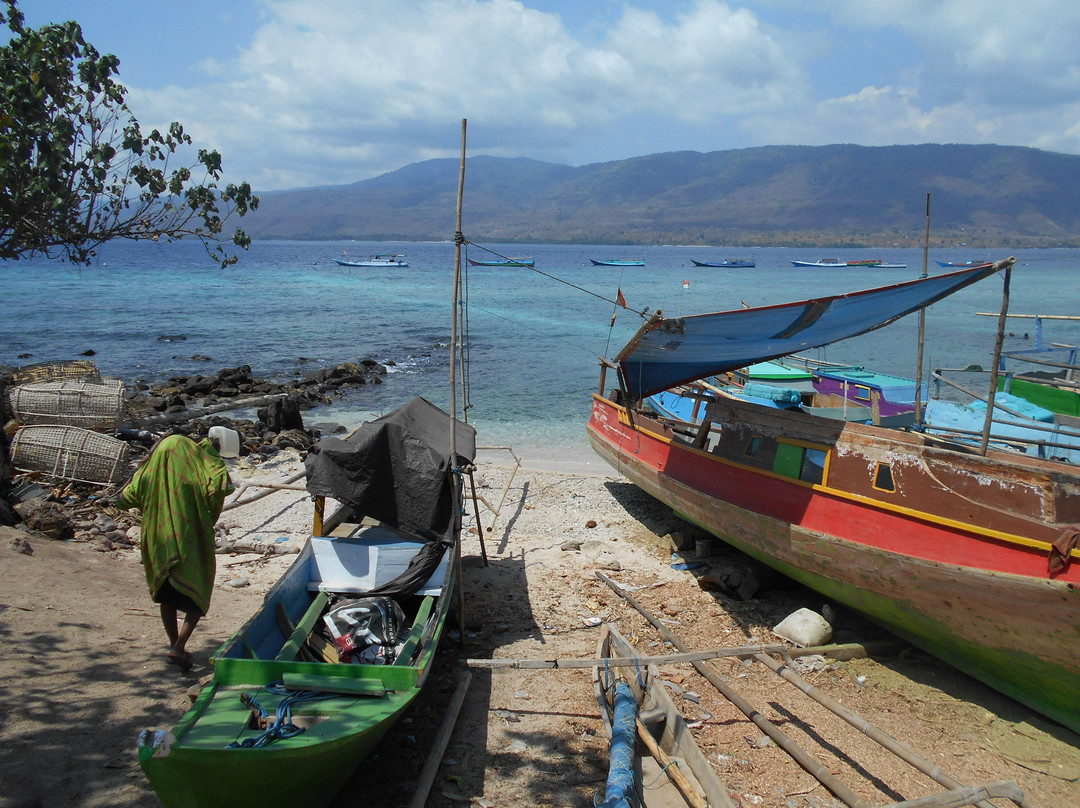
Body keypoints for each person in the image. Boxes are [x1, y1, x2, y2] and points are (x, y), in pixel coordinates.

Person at [116, 431, 236, 669]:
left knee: (167, 592)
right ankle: (179, 646)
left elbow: (124, 499)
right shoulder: (199, 465)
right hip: (189, 537)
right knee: (199, 587)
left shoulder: (151, 470)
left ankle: (174, 644)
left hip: (158, 537)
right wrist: (215, 459)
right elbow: (223, 485)